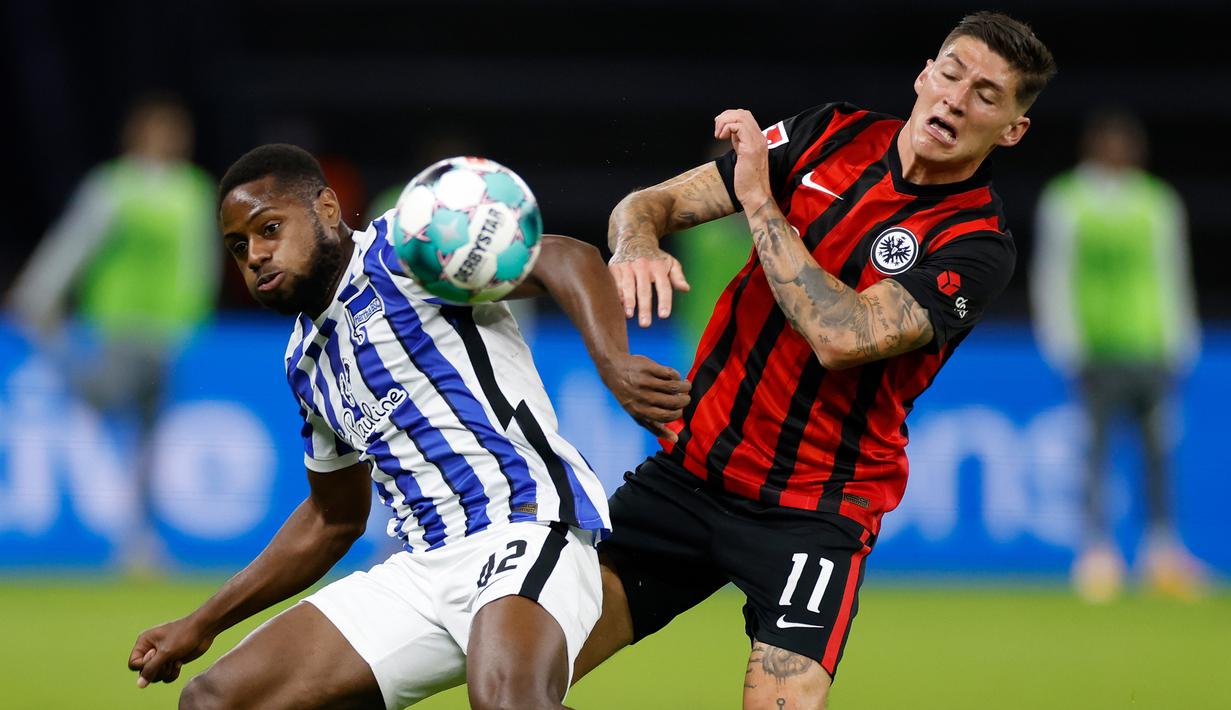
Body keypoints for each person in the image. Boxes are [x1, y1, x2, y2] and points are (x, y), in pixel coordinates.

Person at [574, 11, 1056, 709]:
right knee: (525, 670)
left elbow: (842, 337)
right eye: (950, 74)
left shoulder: (977, 245)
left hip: (813, 513)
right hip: (689, 475)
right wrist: (635, 244)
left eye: (986, 94)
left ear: (1012, 129)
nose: (955, 98)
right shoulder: (826, 133)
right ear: (924, 74)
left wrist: (758, 202)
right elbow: (646, 203)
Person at [127, 144, 690, 710]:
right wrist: (202, 623)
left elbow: (565, 258)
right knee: (216, 702)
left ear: (326, 208)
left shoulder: (405, 246)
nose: (255, 255)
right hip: (422, 569)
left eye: (269, 228)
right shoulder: (305, 359)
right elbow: (332, 518)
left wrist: (614, 363)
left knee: (509, 702)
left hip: (524, 521)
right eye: (238, 246)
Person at [6, 94, 218, 572]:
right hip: (119, 323)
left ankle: (139, 540)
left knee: (150, 439)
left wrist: (196, 318)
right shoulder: (115, 186)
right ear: (139, 136)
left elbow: (200, 259)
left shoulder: (193, 190)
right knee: (105, 403)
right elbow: (75, 240)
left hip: (168, 333)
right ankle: (56, 354)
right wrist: (40, 293)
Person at [1030, 110, 1205, 603]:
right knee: (1096, 454)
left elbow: (1173, 272)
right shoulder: (1068, 200)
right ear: (1093, 148)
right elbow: (1053, 274)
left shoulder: (1157, 202)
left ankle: (1162, 552)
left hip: (1150, 346)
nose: (1119, 153)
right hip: (1096, 348)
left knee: (1156, 455)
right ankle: (1096, 553)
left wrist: (1181, 339)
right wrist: (1063, 341)